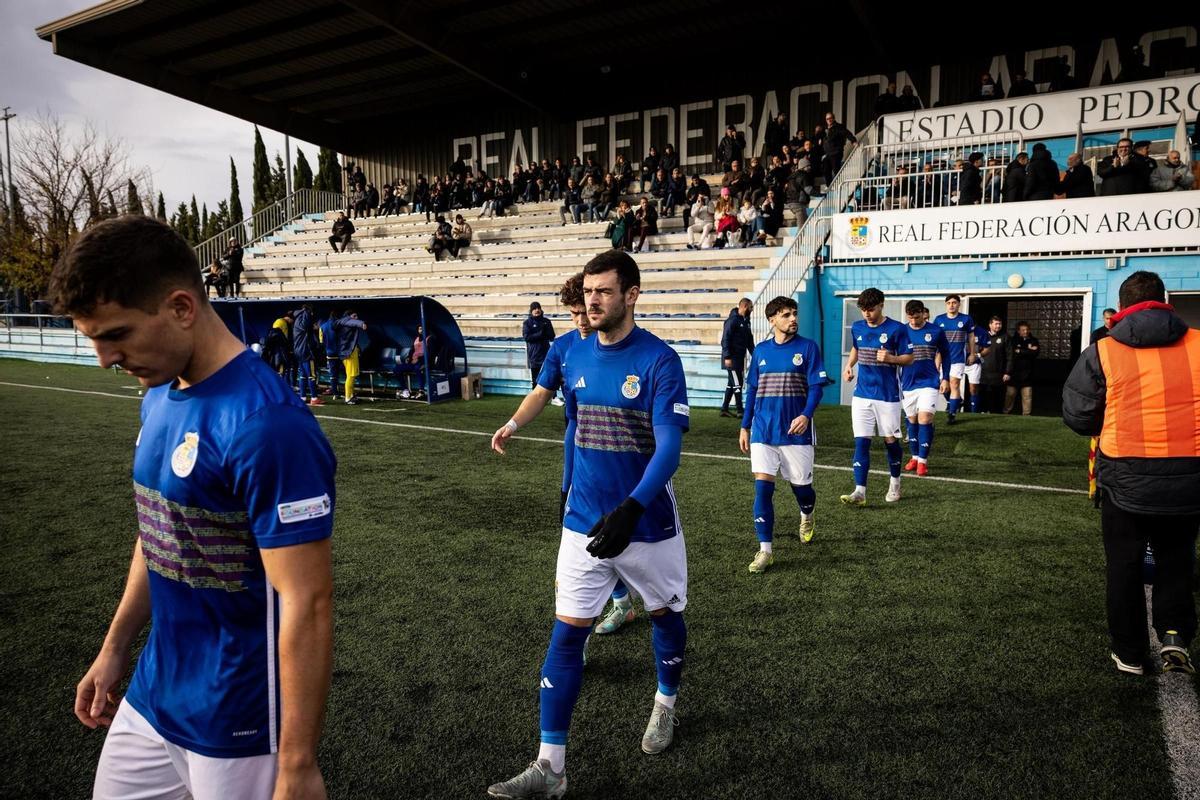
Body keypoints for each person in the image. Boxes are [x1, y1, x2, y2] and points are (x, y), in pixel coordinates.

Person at [53, 215, 336, 800]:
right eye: (94, 339)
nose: (105, 358)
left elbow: (307, 601)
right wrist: (114, 647)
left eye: (117, 334)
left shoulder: (268, 425)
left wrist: (297, 764)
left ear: (182, 307)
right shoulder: (159, 392)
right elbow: (160, 532)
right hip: (155, 691)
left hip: (238, 718)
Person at [487, 250, 691, 798]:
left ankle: (665, 702)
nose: (593, 300)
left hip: (646, 525)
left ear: (631, 295)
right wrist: (525, 439)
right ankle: (550, 767)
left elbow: (669, 450)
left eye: (603, 291)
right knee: (566, 634)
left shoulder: (660, 361)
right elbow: (567, 425)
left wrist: (632, 508)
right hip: (583, 523)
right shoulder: (572, 353)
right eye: (588, 291)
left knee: (665, 616)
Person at [1062, 270, 1200, 676]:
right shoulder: (1198, 343)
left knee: (1124, 565)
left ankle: (1131, 653)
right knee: (1177, 559)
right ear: (1166, 302)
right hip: (1189, 474)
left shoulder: (1103, 351)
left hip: (1125, 475)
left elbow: (1078, 415)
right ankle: (1175, 635)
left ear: (1122, 307)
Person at [492, 274, 638, 636]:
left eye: (583, 312)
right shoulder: (563, 348)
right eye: (573, 314)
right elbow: (541, 393)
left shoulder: (624, 344)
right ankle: (616, 605)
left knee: (625, 531)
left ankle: (645, 601)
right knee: (582, 532)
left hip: (622, 451)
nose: (581, 321)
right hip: (578, 442)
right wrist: (512, 424)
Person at [739, 296, 829, 572]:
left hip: (795, 431)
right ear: (772, 320)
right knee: (762, 489)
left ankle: (807, 514)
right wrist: (745, 425)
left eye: (794, 313)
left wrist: (806, 415)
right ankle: (765, 550)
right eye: (786, 315)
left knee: (802, 490)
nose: (793, 319)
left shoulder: (808, 348)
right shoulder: (761, 351)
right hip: (763, 430)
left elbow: (816, 387)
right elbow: (752, 390)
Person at [841, 287, 913, 505]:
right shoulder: (858, 327)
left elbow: (909, 358)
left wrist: (891, 359)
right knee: (861, 442)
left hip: (887, 396)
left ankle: (895, 483)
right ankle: (859, 491)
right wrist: (849, 365)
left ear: (881, 305)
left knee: (890, 441)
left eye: (871, 309)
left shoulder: (897, 329)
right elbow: (856, 348)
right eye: (863, 310)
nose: (867, 314)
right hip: (862, 394)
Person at [900, 301, 949, 476]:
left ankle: (922, 461)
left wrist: (945, 377)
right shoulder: (901, 331)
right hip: (908, 384)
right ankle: (914, 457)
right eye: (910, 318)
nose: (913, 321)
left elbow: (946, 354)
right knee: (911, 420)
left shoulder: (936, 331)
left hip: (929, 382)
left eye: (917, 317)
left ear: (923, 313)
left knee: (925, 418)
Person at [933, 294, 977, 424]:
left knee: (954, 384)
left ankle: (952, 414)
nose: (951, 305)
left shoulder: (966, 319)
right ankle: (957, 401)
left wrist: (972, 353)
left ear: (959, 304)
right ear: (946, 305)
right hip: (941, 358)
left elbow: (971, 337)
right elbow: (935, 339)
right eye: (949, 303)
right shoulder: (939, 319)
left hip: (958, 358)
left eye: (954, 303)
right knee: (942, 385)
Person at [719, 298, 755, 418]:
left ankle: (724, 409)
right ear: (744, 306)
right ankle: (740, 410)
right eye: (751, 307)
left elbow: (749, 340)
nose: (752, 310)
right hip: (732, 358)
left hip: (739, 358)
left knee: (732, 383)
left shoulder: (746, 321)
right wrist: (727, 356)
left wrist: (755, 354)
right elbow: (725, 339)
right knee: (737, 382)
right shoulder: (732, 321)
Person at [1003, 321, 1039, 415]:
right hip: (1014, 373)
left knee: (1027, 397)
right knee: (1010, 395)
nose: (1025, 331)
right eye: (1023, 330)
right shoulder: (1013, 340)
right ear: (1018, 331)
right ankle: (1006, 412)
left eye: (1027, 329)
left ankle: (1026, 415)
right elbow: (1012, 354)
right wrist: (1028, 350)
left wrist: (1020, 351)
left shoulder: (1034, 340)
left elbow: (1035, 353)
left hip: (1028, 374)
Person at [334, 309, 368, 405]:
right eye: (354, 316)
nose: (356, 318)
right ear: (348, 316)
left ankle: (351, 395)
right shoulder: (347, 321)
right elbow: (353, 322)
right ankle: (348, 398)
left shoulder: (345, 322)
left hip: (350, 352)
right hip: (348, 353)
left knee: (352, 375)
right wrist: (361, 323)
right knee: (351, 375)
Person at [293, 303, 322, 406]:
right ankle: (314, 398)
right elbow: (306, 327)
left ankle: (303, 397)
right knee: (312, 375)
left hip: (298, 351)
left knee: (302, 375)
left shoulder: (297, 318)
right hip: (306, 351)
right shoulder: (306, 315)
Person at [978, 316, 1008, 414]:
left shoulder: (1005, 337)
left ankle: (996, 413)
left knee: (997, 395)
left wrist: (1007, 372)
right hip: (983, 371)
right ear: (990, 325)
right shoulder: (982, 335)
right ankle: (982, 411)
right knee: (982, 393)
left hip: (998, 373)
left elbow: (1010, 356)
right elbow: (976, 351)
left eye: (1000, 324)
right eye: (996, 324)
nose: (998, 326)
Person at [522, 301, 555, 388]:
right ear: (531, 311)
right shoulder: (527, 323)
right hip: (534, 356)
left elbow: (552, 336)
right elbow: (527, 337)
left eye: (538, 308)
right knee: (536, 379)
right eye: (534, 308)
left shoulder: (546, 321)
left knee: (549, 378)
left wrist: (547, 331)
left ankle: (553, 395)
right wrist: (540, 334)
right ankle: (535, 395)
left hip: (546, 354)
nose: (537, 310)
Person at [964, 319, 991, 413]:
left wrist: (978, 355)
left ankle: (973, 412)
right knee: (949, 385)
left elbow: (987, 349)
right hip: (958, 362)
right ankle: (954, 403)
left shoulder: (982, 332)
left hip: (974, 364)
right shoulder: (959, 329)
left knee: (973, 388)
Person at [822, 112, 857, 184]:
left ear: (833, 118)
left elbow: (847, 133)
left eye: (830, 118)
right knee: (826, 170)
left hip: (836, 152)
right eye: (827, 119)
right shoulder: (825, 129)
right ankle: (829, 186)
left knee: (836, 170)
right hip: (828, 153)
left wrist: (853, 141)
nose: (829, 120)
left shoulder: (839, 127)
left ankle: (839, 185)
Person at [319, 309, 342, 396]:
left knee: (333, 374)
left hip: (329, 353)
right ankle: (339, 391)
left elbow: (321, 342)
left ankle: (334, 392)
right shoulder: (339, 325)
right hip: (340, 353)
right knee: (342, 373)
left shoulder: (322, 326)